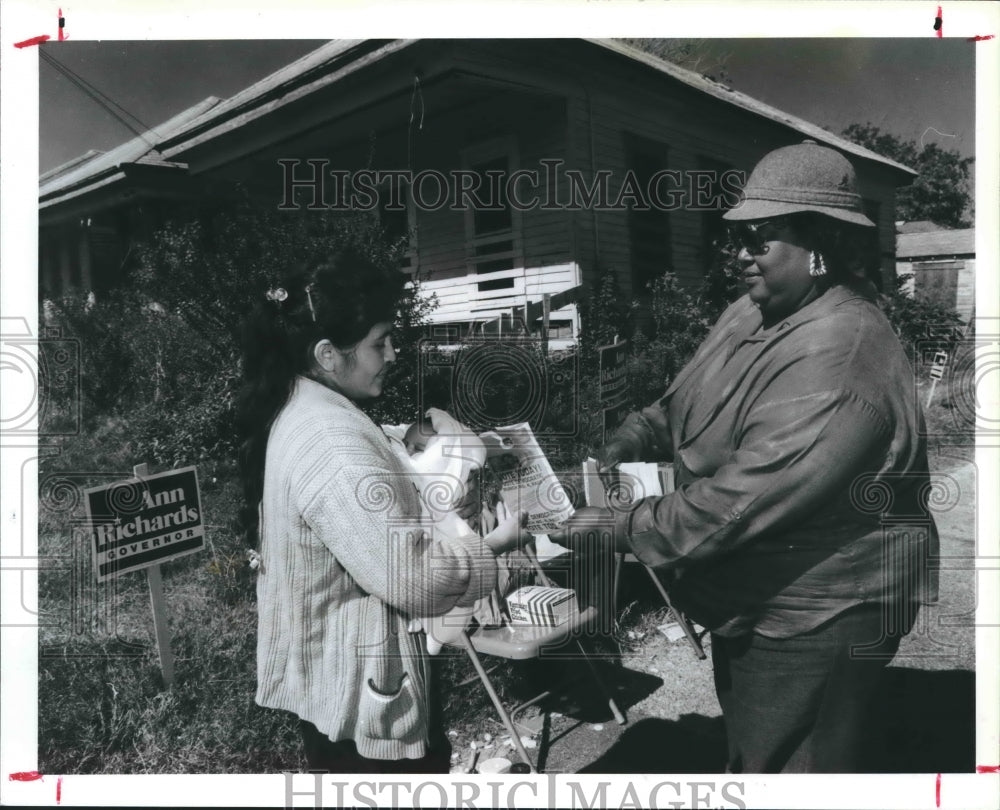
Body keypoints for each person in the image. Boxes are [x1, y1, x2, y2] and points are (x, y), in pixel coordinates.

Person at [552, 140, 939, 773]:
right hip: (756, 595)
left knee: (794, 762)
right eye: (736, 236)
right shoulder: (750, 311)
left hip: (822, 609)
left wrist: (620, 528)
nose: (739, 254)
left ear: (819, 248)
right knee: (757, 738)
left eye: (759, 238)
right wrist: (633, 435)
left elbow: (736, 504)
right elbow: (683, 404)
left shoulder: (841, 354)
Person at [237, 246, 529, 773]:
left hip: (337, 678)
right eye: (379, 342)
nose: (393, 354)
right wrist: (493, 546)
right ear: (328, 353)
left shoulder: (306, 405)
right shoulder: (331, 439)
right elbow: (414, 579)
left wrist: (403, 445)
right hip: (360, 703)